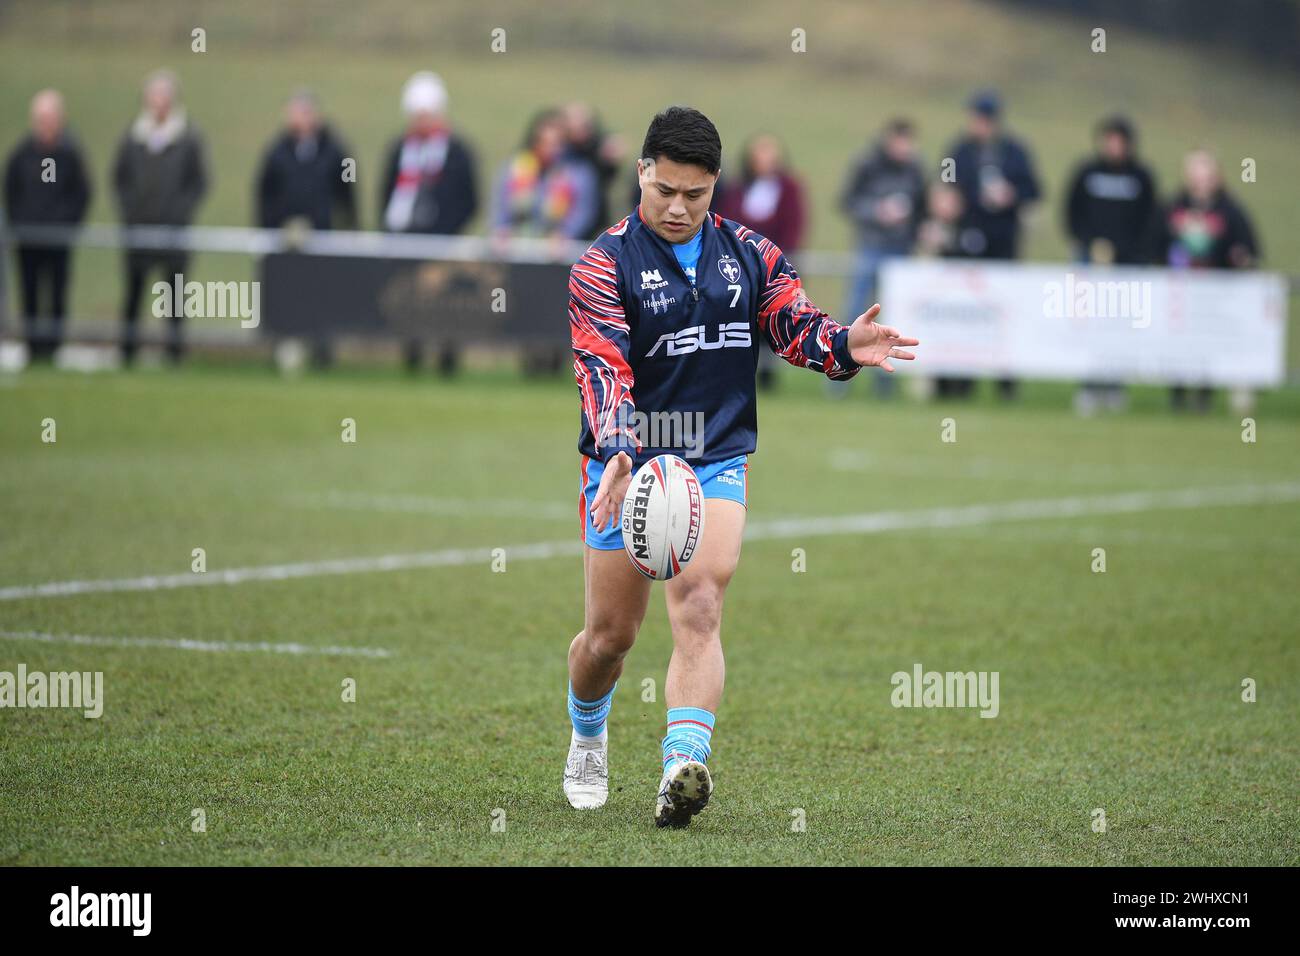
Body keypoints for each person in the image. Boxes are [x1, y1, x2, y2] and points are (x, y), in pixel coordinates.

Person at [562, 106, 918, 828]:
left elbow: (794, 322)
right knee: (609, 638)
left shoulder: (750, 253)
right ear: (641, 173)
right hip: (629, 458)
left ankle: (680, 768)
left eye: (695, 194)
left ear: (715, 184)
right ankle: (588, 731)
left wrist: (846, 344)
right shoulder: (602, 265)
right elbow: (603, 365)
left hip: (716, 453)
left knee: (701, 602)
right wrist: (619, 448)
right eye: (664, 190)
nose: (678, 207)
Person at [379, 72, 478, 373]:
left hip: (444, 239)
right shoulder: (401, 149)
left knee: (446, 300)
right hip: (405, 236)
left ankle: (448, 358)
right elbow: (387, 191)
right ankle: (412, 354)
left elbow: (469, 198)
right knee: (410, 298)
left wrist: (447, 232)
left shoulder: (457, 151)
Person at [945, 91, 1040, 400]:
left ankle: (1006, 382)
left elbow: (1033, 188)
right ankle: (963, 381)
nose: (977, 124)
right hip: (968, 241)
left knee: (1004, 311)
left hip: (1004, 242)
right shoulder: (960, 151)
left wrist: (1010, 194)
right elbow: (946, 186)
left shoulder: (1014, 152)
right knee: (968, 311)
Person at [112, 69, 208, 364]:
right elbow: (119, 179)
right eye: (154, 96)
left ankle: (174, 354)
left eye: (164, 96)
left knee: (175, 297)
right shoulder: (133, 136)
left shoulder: (188, 138)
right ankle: (127, 353)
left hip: (174, 233)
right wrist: (132, 213)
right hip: (138, 231)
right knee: (133, 292)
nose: (159, 102)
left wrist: (178, 214)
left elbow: (199, 182)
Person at [1152, 149, 1260, 412]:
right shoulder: (1173, 206)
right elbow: (1154, 242)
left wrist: (1240, 257)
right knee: (1178, 342)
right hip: (1179, 290)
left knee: (1208, 341)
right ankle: (1177, 394)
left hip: (1215, 291)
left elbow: (1248, 246)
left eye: (1207, 176)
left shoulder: (1230, 210)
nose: (1202, 182)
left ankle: (1204, 396)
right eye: (1196, 176)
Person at [1063, 115, 1158, 414]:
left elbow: (1151, 219)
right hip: (1090, 261)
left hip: (1128, 265)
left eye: (1119, 140)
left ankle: (1115, 386)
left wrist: (1131, 252)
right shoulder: (1087, 172)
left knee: (1120, 326)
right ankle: (1089, 386)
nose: (1114, 146)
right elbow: (1072, 212)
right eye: (1109, 139)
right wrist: (1088, 243)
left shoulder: (1141, 177)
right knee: (1090, 324)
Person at [838, 119, 926, 397]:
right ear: (889, 140)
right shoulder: (867, 164)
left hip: (902, 252)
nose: (905, 147)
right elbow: (847, 201)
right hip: (871, 248)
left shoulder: (915, 168)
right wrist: (877, 212)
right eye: (901, 141)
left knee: (895, 319)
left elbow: (923, 208)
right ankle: (838, 375)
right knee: (855, 314)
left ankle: (885, 384)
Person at [3, 89, 91, 360]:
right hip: (28, 239)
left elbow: (82, 192)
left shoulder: (70, 154)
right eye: (41, 117)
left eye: (51, 117)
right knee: (29, 293)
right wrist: (21, 223)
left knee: (56, 294)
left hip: (59, 240)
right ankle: (32, 347)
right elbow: (10, 190)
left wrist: (66, 223)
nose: (46, 123)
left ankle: (53, 348)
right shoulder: (22, 154)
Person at [716, 132, 808, 391]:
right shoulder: (739, 188)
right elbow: (727, 220)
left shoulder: (788, 188)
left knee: (774, 318)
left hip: (773, 265)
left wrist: (780, 258)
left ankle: (769, 379)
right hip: (737, 264)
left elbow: (793, 224)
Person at [256, 89, 357, 231]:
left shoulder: (337, 149)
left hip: (324, 232)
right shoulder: (276, 152)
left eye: (307, 112)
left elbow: (350, 182)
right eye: (298, 113)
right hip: (286, 235)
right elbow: (265, 191)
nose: (304, 118)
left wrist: (349, 221)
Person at [491, 109, 598, 242]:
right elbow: (501, 204)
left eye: (557, 143)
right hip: (518, 248)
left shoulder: (578, 171)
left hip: (561, 253)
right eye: (545, 143)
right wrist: (502, 229)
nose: (551, 149)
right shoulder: (515, 168)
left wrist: (566, 234)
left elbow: (583, 212)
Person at [561, 102, 626, 240]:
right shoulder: (561, 151)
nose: (578, 130)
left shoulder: (599, 147)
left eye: (583, 125)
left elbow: (610, 171)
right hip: (562, 220)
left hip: (596, 219)